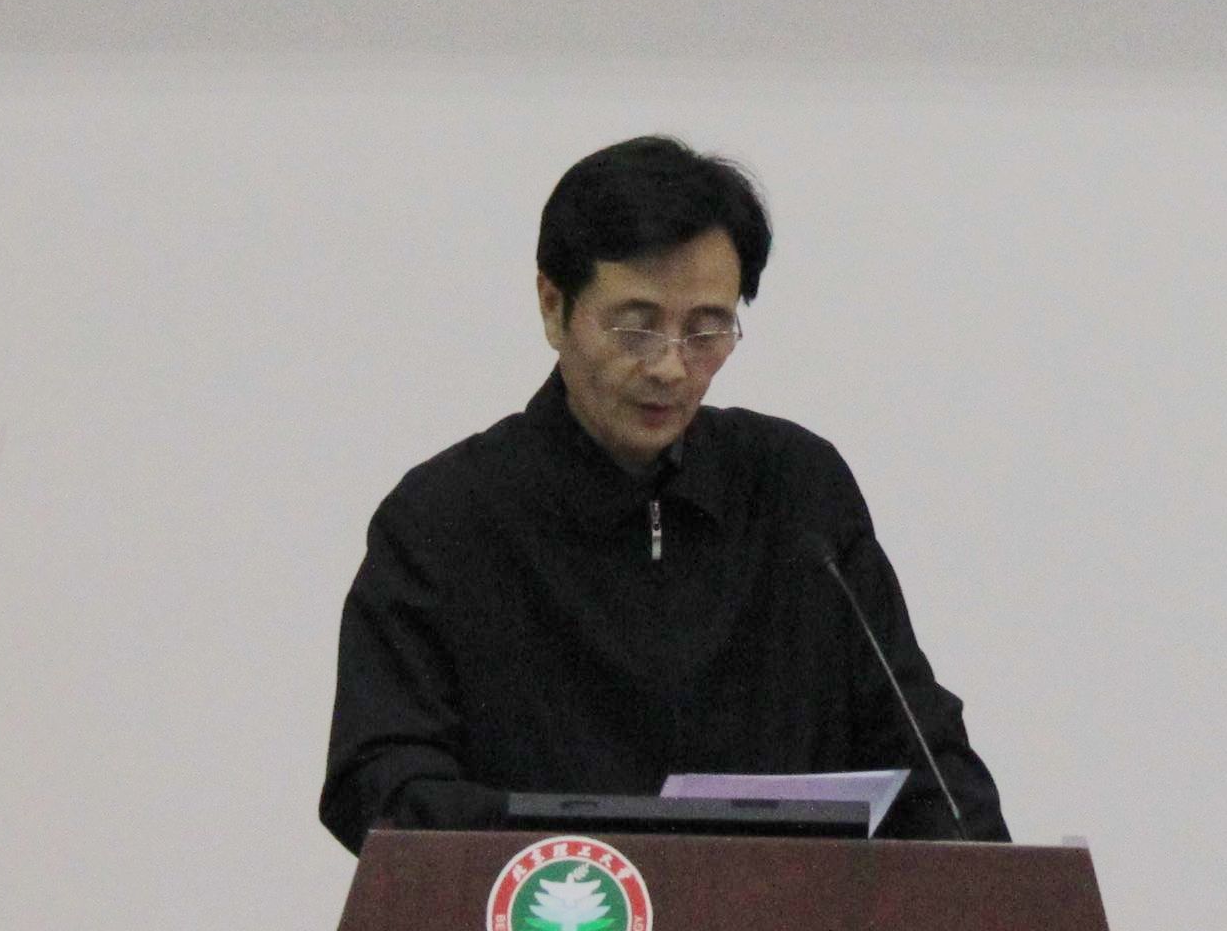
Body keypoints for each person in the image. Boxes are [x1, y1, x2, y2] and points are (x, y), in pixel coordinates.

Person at [319, 135, 1008, 850]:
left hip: (778, 920)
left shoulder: (798, 494)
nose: (671, 367)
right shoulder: (445, 521)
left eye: (706, 330)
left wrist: (993, 883)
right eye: (637, 326)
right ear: (553, 306)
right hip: (556, 913)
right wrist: (578, 846)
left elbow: (923, 753)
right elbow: (381, 782)